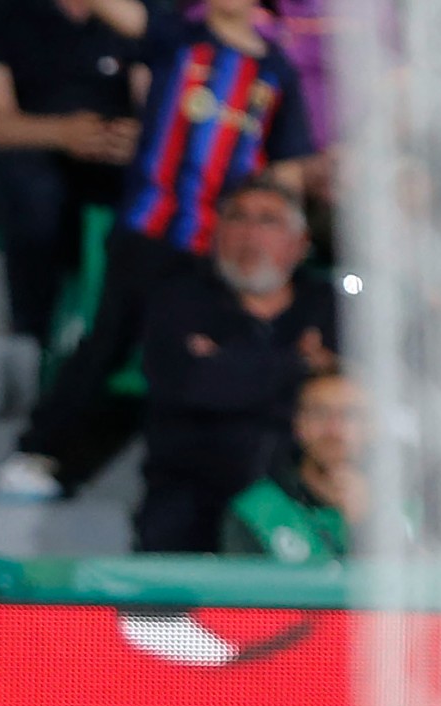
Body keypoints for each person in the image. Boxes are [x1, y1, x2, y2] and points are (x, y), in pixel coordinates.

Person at [0, 0, 317, 499]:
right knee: (107, 346)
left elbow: (287, 166)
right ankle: (41, 450)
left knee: (189, 363)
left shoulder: (276, 71)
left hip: (218, 254)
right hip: (147, 232)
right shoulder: (177, 39)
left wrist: (271, 240)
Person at [136, 177, 337, 552]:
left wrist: (232, 367)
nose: (250, 233)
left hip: (300, 493)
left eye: (268, 221)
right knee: (165, 565)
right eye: (237, 218)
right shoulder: (179, 301)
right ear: (216, 235)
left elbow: (343, 397)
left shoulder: (329, 307)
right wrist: (297, 364)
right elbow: (196, 387)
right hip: (194, 487)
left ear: (300, 244)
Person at [0, 0, 143, 345]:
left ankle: (129, 336)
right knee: (34, 190)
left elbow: (154, 92)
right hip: (32, 154)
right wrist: (65, 133)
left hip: (112, 158)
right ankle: (32, 333)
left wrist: (140, 137)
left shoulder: (128, 18)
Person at [221, 371, 360, 561]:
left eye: (351, 415)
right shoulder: (259, 510)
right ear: (298, 422)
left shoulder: (408, 506)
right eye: (319, 413)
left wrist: (367, 524)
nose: (334, 430)